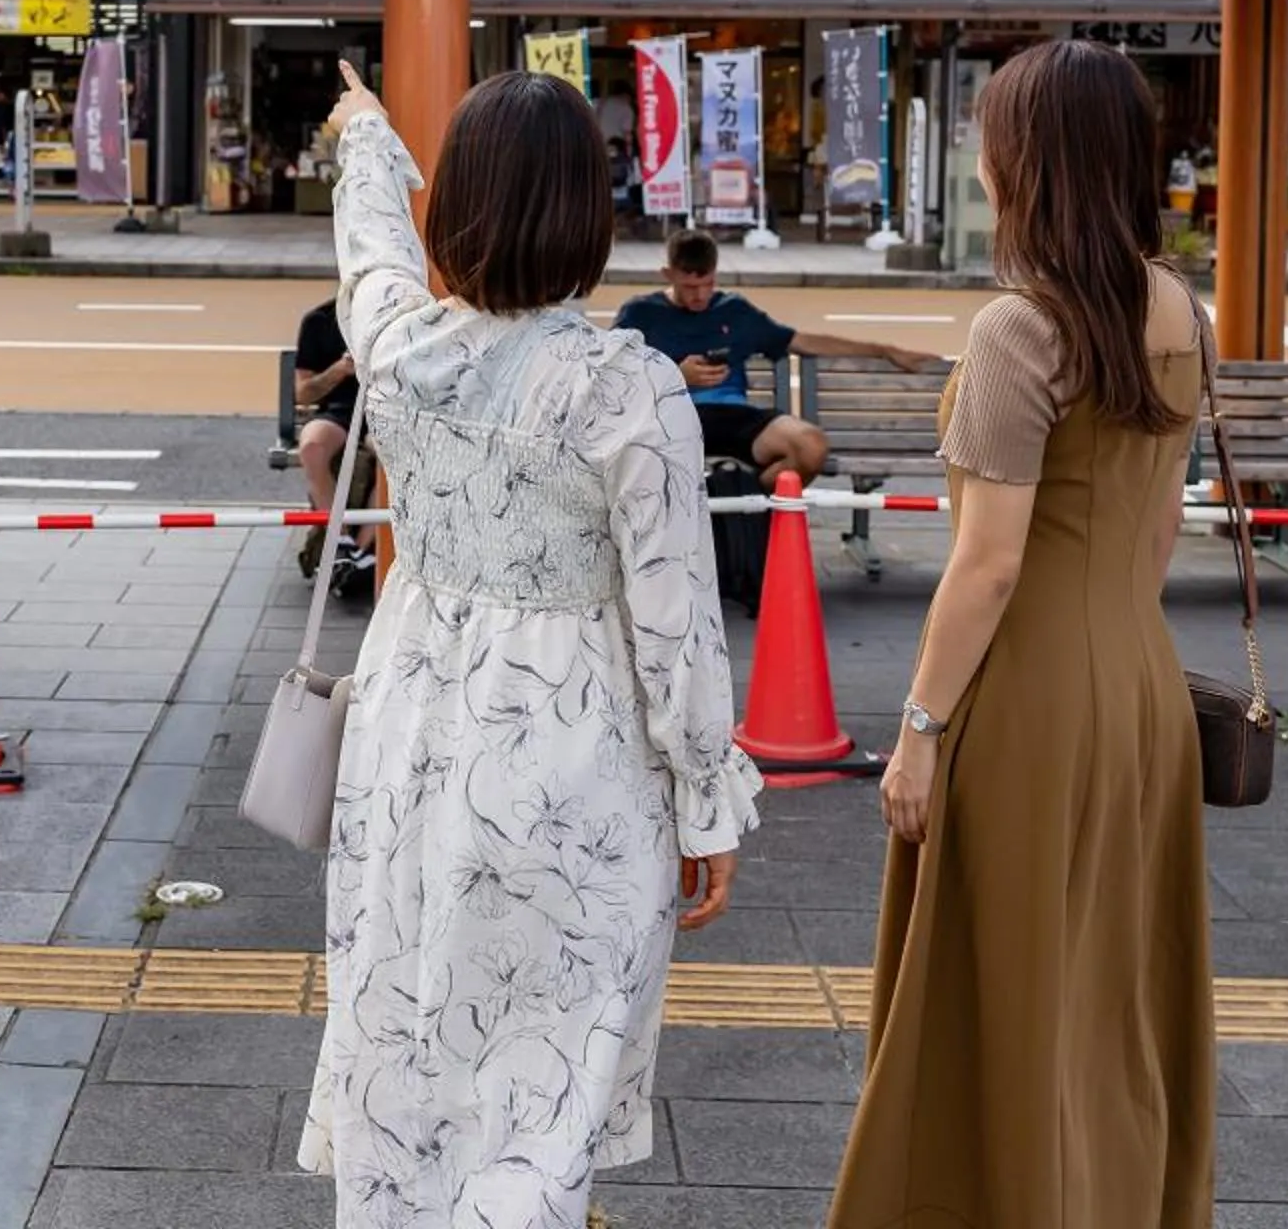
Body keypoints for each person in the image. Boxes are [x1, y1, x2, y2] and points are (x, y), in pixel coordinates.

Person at [298, 64, 760, 1227]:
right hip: (570, 753)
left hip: (408, 737)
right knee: (543, 1078)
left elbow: (371, 255)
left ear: (456, 204)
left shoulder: (399, 347)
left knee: (406, 1030)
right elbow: (676, 620)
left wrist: (367, 138)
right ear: (585, 218)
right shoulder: (627, 386)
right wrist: (709, 801)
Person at [826, 38, 1213, 1229]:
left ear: (1024, 161)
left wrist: (921, 726)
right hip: (1140, 682)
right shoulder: (1174, 303)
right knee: (1109, 987)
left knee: (997, 978)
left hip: (1030, 694)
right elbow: (1158, 529)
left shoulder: (1017, 328)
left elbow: (987, 564)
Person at [616, 229, 940, 485]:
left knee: (810, 446)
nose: (700, 295)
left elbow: (804, 341)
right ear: (667, 274)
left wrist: (884, 350)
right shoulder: (641, 314)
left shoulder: (734, 311)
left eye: (708, 284)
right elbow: (610, 378)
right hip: (668, 418)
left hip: (733, 417)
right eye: (689, 286)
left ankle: (748, 505)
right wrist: (674, 376)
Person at [290, 297, 365, 572]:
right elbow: (303, 394)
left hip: (383, 412)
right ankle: (342, 540)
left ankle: (364, 549)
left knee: (388, 453)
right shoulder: (319, 320)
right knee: (312, 445)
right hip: (339, 412)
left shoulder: (398, 315)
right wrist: (340, 370)